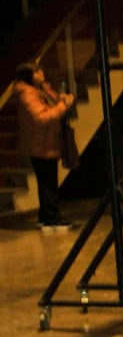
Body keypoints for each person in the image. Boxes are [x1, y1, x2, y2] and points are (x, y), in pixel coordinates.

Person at [14, 60, 74, 230]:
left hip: (46, 143)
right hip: (40, 144)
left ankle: (46, 216)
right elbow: (41, 117)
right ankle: (51, 218)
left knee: (48, 181)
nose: (41, 74)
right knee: (47, 182)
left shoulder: (41, 89)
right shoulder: (28, 94)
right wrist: (63, 106)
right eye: (37, 72)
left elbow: (53, 101)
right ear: (29, 76)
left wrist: (61, 99)